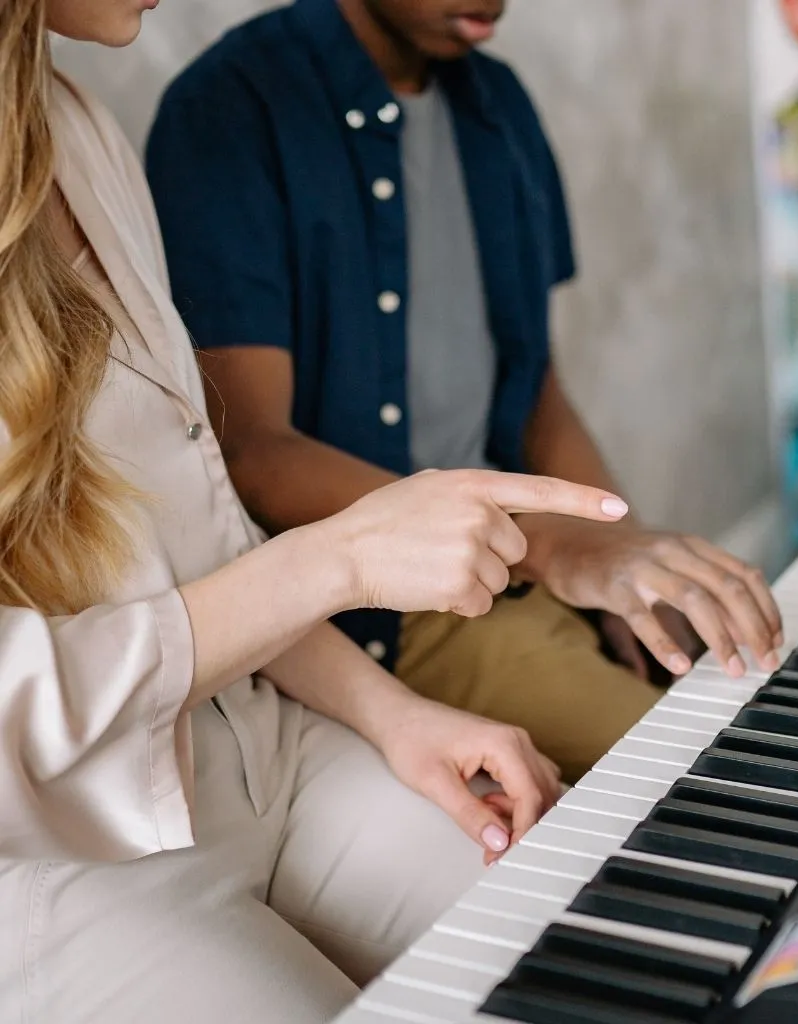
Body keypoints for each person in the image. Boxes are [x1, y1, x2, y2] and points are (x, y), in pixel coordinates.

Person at [0, 2, 636, 1021]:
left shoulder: (79, 131)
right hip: (66, 859)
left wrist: (398, 718)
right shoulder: (231, 107)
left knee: (601, 953)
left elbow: (205, 532)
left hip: (262, 749)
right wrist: (339, 561)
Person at [145, 0, 786, 784]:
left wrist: (621, 548)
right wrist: (549, 546)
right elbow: (251, 451)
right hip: (389, 621)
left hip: (525, 569)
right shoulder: (229, 108)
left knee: (780, 705)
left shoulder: (498, 104)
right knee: (738, 772)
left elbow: (532, 390)